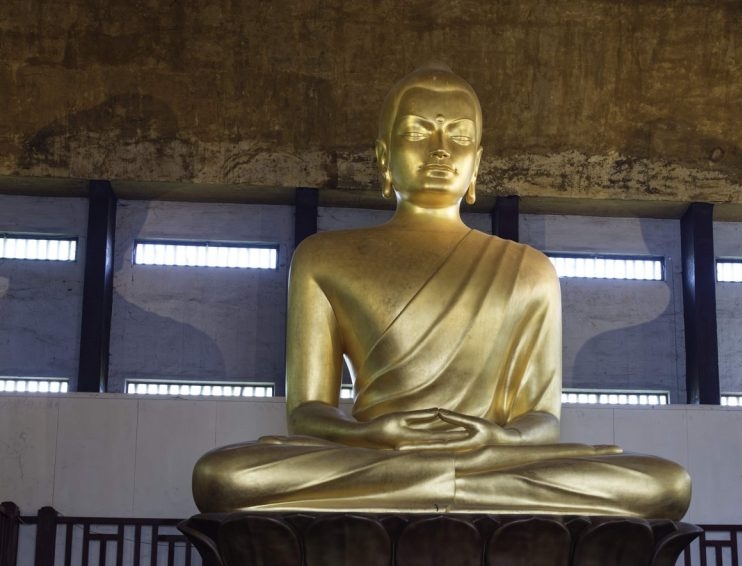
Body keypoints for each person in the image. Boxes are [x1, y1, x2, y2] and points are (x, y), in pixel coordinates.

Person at [192, 64, 691, 519]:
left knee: (665, 484)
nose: (439, 151)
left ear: (477, 162)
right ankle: (455, 493)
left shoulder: (528, 269)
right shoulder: (324, 257)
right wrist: (370, 434)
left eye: (459, 138)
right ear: (384, 156)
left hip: (486, 459)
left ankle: (435, 489)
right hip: (379, 455)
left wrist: (496, 437)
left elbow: (540, 421)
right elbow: (307, 413)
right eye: (417, 133)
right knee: (223, 476)